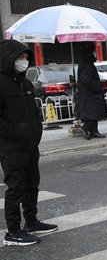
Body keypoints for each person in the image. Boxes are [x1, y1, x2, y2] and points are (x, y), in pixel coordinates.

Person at [0, 39, 58, 246]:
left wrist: (36, 131)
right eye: (20, 57)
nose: (23, 61)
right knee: (16, 188)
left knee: (32, 185)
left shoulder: (24, 83)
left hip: (30, 145)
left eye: (25, 57)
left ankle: (31, 222)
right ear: (8, 59)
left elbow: (34, 112)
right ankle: (13, 232)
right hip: (11, 148)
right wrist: (18, 133)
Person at [75, 44, 106, 140]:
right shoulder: (85, 64)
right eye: (93, 52)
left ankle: (94, 131)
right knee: (92, 113)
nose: (94, 54)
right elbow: (86, 79)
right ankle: (85, 128)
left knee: (95, 112)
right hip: (89, 94)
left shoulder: (87, 63)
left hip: (90, 94)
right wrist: (96, 87)